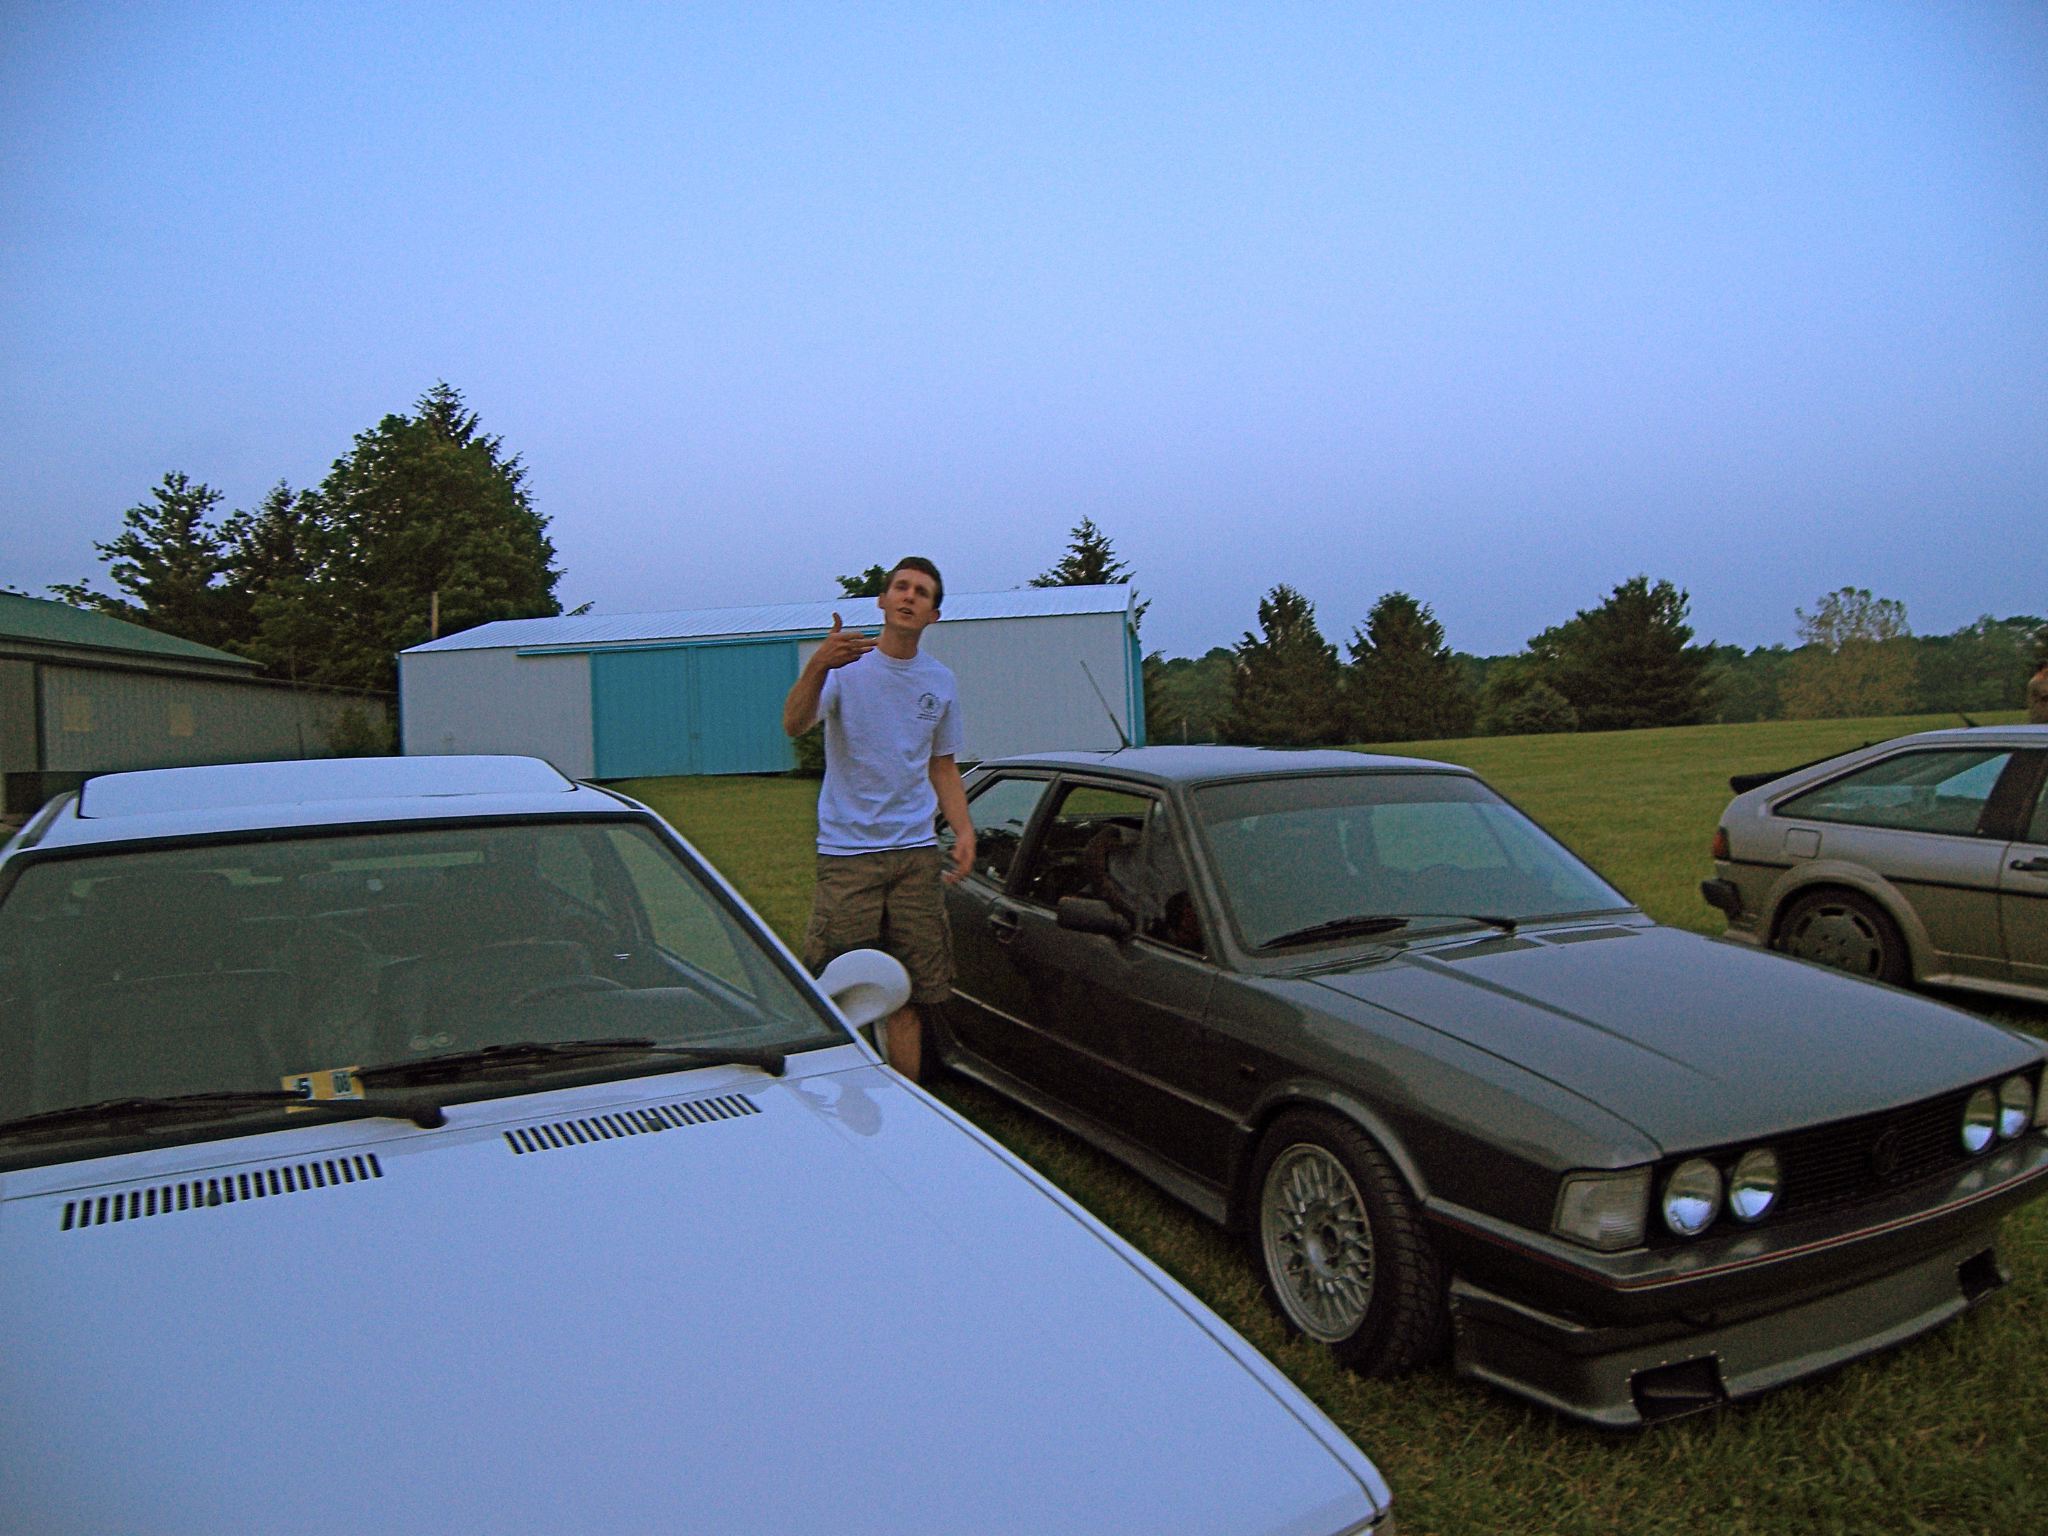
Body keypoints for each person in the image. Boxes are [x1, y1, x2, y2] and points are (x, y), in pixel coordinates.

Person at [782, 557, 974, 1082]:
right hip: (849, 856)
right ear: (883, 601)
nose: (909, 596)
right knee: (839, 990)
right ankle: (835, 1095)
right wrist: (817, 665)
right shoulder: (846, 668)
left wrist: (963, 830)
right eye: (901, 587)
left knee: (908, 992)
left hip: (915, 856)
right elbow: (794, 724)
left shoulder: (940, 681)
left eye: (922, 592)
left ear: (933, 615)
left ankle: (906, 1101)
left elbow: (942, 765)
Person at [2030, 658, 2048, 725]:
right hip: (2039, 717)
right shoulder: (2035, 682)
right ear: (2043, 669)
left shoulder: (2045, 680)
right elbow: (2045, 696)